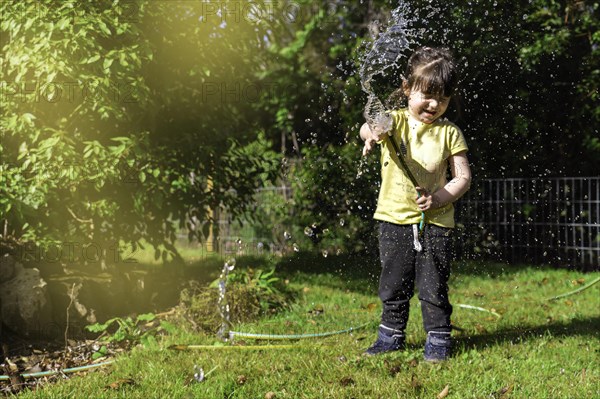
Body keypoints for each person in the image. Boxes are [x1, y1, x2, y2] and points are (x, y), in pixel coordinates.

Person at [359, 46, 471, 361]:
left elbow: (462, 177)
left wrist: (438, 198)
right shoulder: (393, 121)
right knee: (394, 281)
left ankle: (438, 338)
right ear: (408, 88)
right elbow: (367, 126)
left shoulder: (449, 133)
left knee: (433, 284)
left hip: (435, 223)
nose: (434, 104)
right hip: (393, 218)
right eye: (427, 94)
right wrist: (372, 133)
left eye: (444, 98)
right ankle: (390, 335)